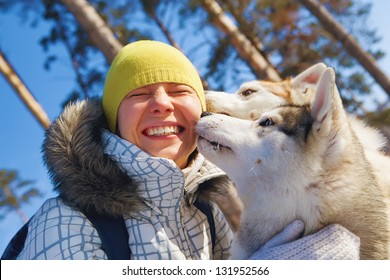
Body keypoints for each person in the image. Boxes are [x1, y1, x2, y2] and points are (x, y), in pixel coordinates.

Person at [11, 40, 359, 260]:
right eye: (138, 94)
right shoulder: (65, 220)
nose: (161, 104)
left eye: (179, 91)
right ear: (113, 120)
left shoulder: (207, 216)